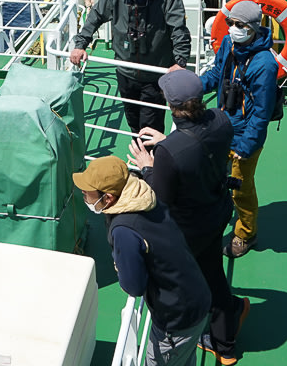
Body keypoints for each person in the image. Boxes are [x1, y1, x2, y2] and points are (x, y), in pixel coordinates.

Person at [127, 69, 250, 365]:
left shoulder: (170, 153)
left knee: (188, 280)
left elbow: (159, 198)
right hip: (217, 212)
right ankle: (226, 343)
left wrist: (148, 167)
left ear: (171, 104)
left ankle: (200, 332)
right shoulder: (221, 120)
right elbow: (199, 144)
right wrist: (170, 140)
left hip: (188, 230)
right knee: (212, 270)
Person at [73, 155, 209, 366]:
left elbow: (133, 286)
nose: (83, 195)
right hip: (196, 295)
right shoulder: (144, 194)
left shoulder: (124, 231)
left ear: (108, 198)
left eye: (87, 192)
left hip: (177, 319)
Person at [69, 0, 192, 133]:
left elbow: (178, 28)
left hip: (154, 74)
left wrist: (180, 61)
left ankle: (150, 159)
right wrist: (80, 45)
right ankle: (142, 156)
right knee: (133, 122)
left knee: (151, 126)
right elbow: (96, 15)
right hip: (125, 73)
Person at [199, 0, 279, 258]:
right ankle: (219, 216)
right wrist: (193, 86)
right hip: (223, 126)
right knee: (213, 175)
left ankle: (246, 234)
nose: (233, 28)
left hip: (244, 138)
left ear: (254, 28)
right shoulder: (228, 45)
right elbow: (216, 75)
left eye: (240, 25)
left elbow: (261, 113)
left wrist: (246, 146)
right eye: (231, 23)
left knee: (241, 188)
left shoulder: (264, 64)